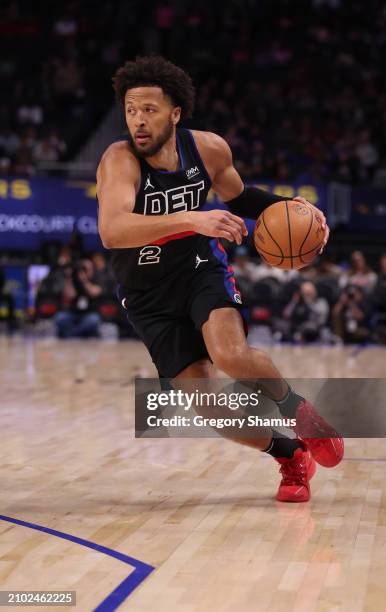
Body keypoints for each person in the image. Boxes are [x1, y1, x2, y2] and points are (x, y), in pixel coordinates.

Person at [96, 56, 343, 503]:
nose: (138, 120)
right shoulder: (120, 160)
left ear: (175, 113)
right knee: (206, 403)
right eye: (131, 109)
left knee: (230, 354)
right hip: (147, 294)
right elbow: (113, 229)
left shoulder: (208, 149)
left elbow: (242, 196)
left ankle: (301, 415)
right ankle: (291, 456)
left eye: (149, 109)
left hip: (198, 269)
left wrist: (295, 208)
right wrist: (194, 217)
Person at [54, 259, 102, 338]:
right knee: (60, 317)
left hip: (89, 313)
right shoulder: (73, 279)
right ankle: (77, 335)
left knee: (94, 320)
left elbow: (94, 293)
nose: (84, 271)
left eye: (86, 269)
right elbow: (70, 295)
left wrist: (84, 280)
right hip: (73, 313)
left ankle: (73, 335)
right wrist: (69, 277)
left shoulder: (96, 278)